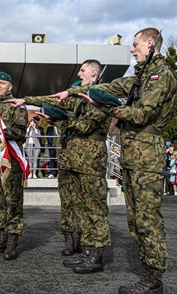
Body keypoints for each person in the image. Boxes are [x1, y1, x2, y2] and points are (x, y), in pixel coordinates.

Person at [52, 27, 177, 294]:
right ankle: (149, 275)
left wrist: (104, 105)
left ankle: (154, 280)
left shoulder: (161, 76)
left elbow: (141, 113)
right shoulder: (139, 77)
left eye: (135, 45)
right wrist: (76, 92)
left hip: (147, 155)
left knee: (148, 220)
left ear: (150, 42)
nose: (132, 50)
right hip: (133, 156)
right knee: (136, 220)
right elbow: (108, 88)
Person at [10, 60, 112, 271]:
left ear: (93, 73)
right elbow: (53, 100)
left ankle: (97, 255)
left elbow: (85, 126)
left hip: (90, 161)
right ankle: (86, 251)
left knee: (94, 208)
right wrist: (26, 100)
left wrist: (62, 120)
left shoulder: (100, 96)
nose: (79, 73)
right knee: (80, 208)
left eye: (83, 70)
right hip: (72, 160)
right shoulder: (77, 98)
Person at [0, 71, 28, 260]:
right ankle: (2, 239)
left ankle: (12, 244)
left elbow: (20, 132)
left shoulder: (16, 106)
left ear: (10, 86)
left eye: (2, 83)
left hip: (10, 162)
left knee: (12, 202)